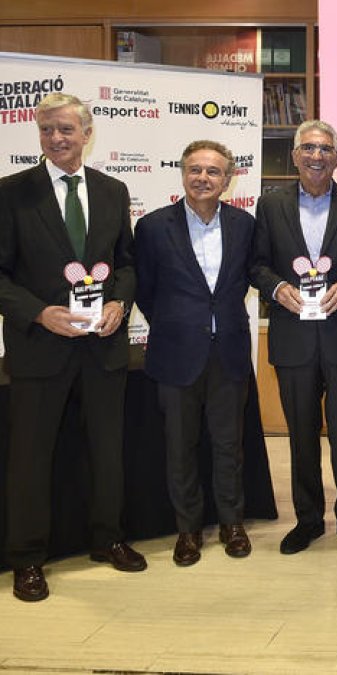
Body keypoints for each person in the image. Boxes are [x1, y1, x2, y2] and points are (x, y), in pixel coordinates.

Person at [0, 92, 144, 602]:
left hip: (102, 346)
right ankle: (27, 559)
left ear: (87, 133)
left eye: (65, 129)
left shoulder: (111, 190)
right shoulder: (11, 192)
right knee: (31, 458)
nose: (56, 138)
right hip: (40, 345)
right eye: (46, 130)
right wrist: (39, 312)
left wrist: (119, 306)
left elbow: (125, 263)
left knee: (107, 451)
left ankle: (108, 539)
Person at [251, 120, 337, 554]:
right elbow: (257, 264)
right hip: (293, 335)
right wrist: (275, 288)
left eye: (325, 149)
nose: (316, 156)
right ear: (295, 156)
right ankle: (307, 519)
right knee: (300, 434)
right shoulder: (270, 206)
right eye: (308, 148)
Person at [135, 140, 256, 565]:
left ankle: (231, 522)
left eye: (213, 172)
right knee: (179, 447)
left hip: (229, 352)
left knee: (228, 445)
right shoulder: (152, 227)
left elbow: (247, 277)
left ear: (228, 179)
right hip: (175, 354)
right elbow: (145, 292)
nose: (203, 178)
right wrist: (179, 324)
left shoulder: (244, 225)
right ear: (183, 173)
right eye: (195, 170)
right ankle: (187, 530)